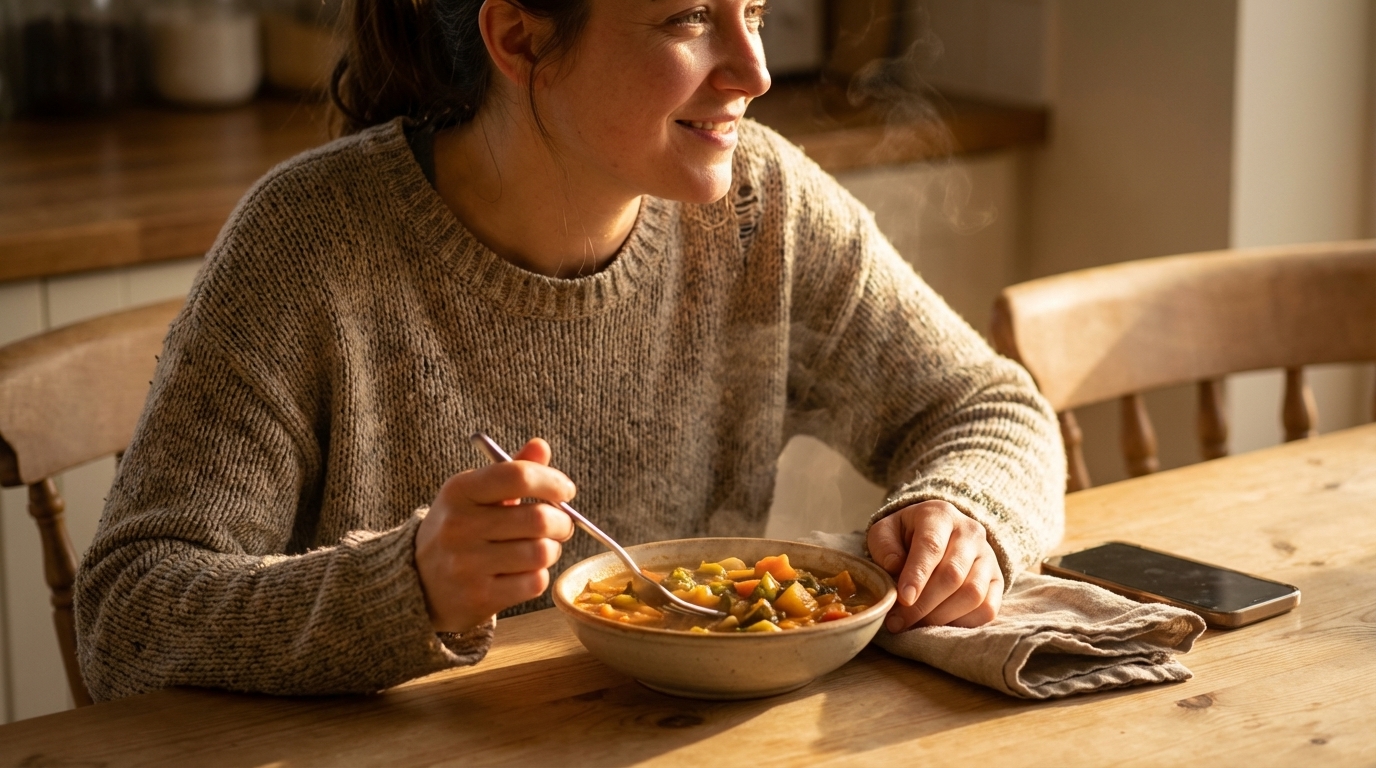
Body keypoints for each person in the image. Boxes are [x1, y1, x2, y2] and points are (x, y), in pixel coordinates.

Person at [74, 0, 1064, 701]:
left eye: (754, 10)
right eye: (687, 19)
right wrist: (405, 588)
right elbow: (127, 619)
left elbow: (988, 408)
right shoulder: (307, 245)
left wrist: (960, 514)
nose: (753, 72)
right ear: (516, 37)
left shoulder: (764, 208)